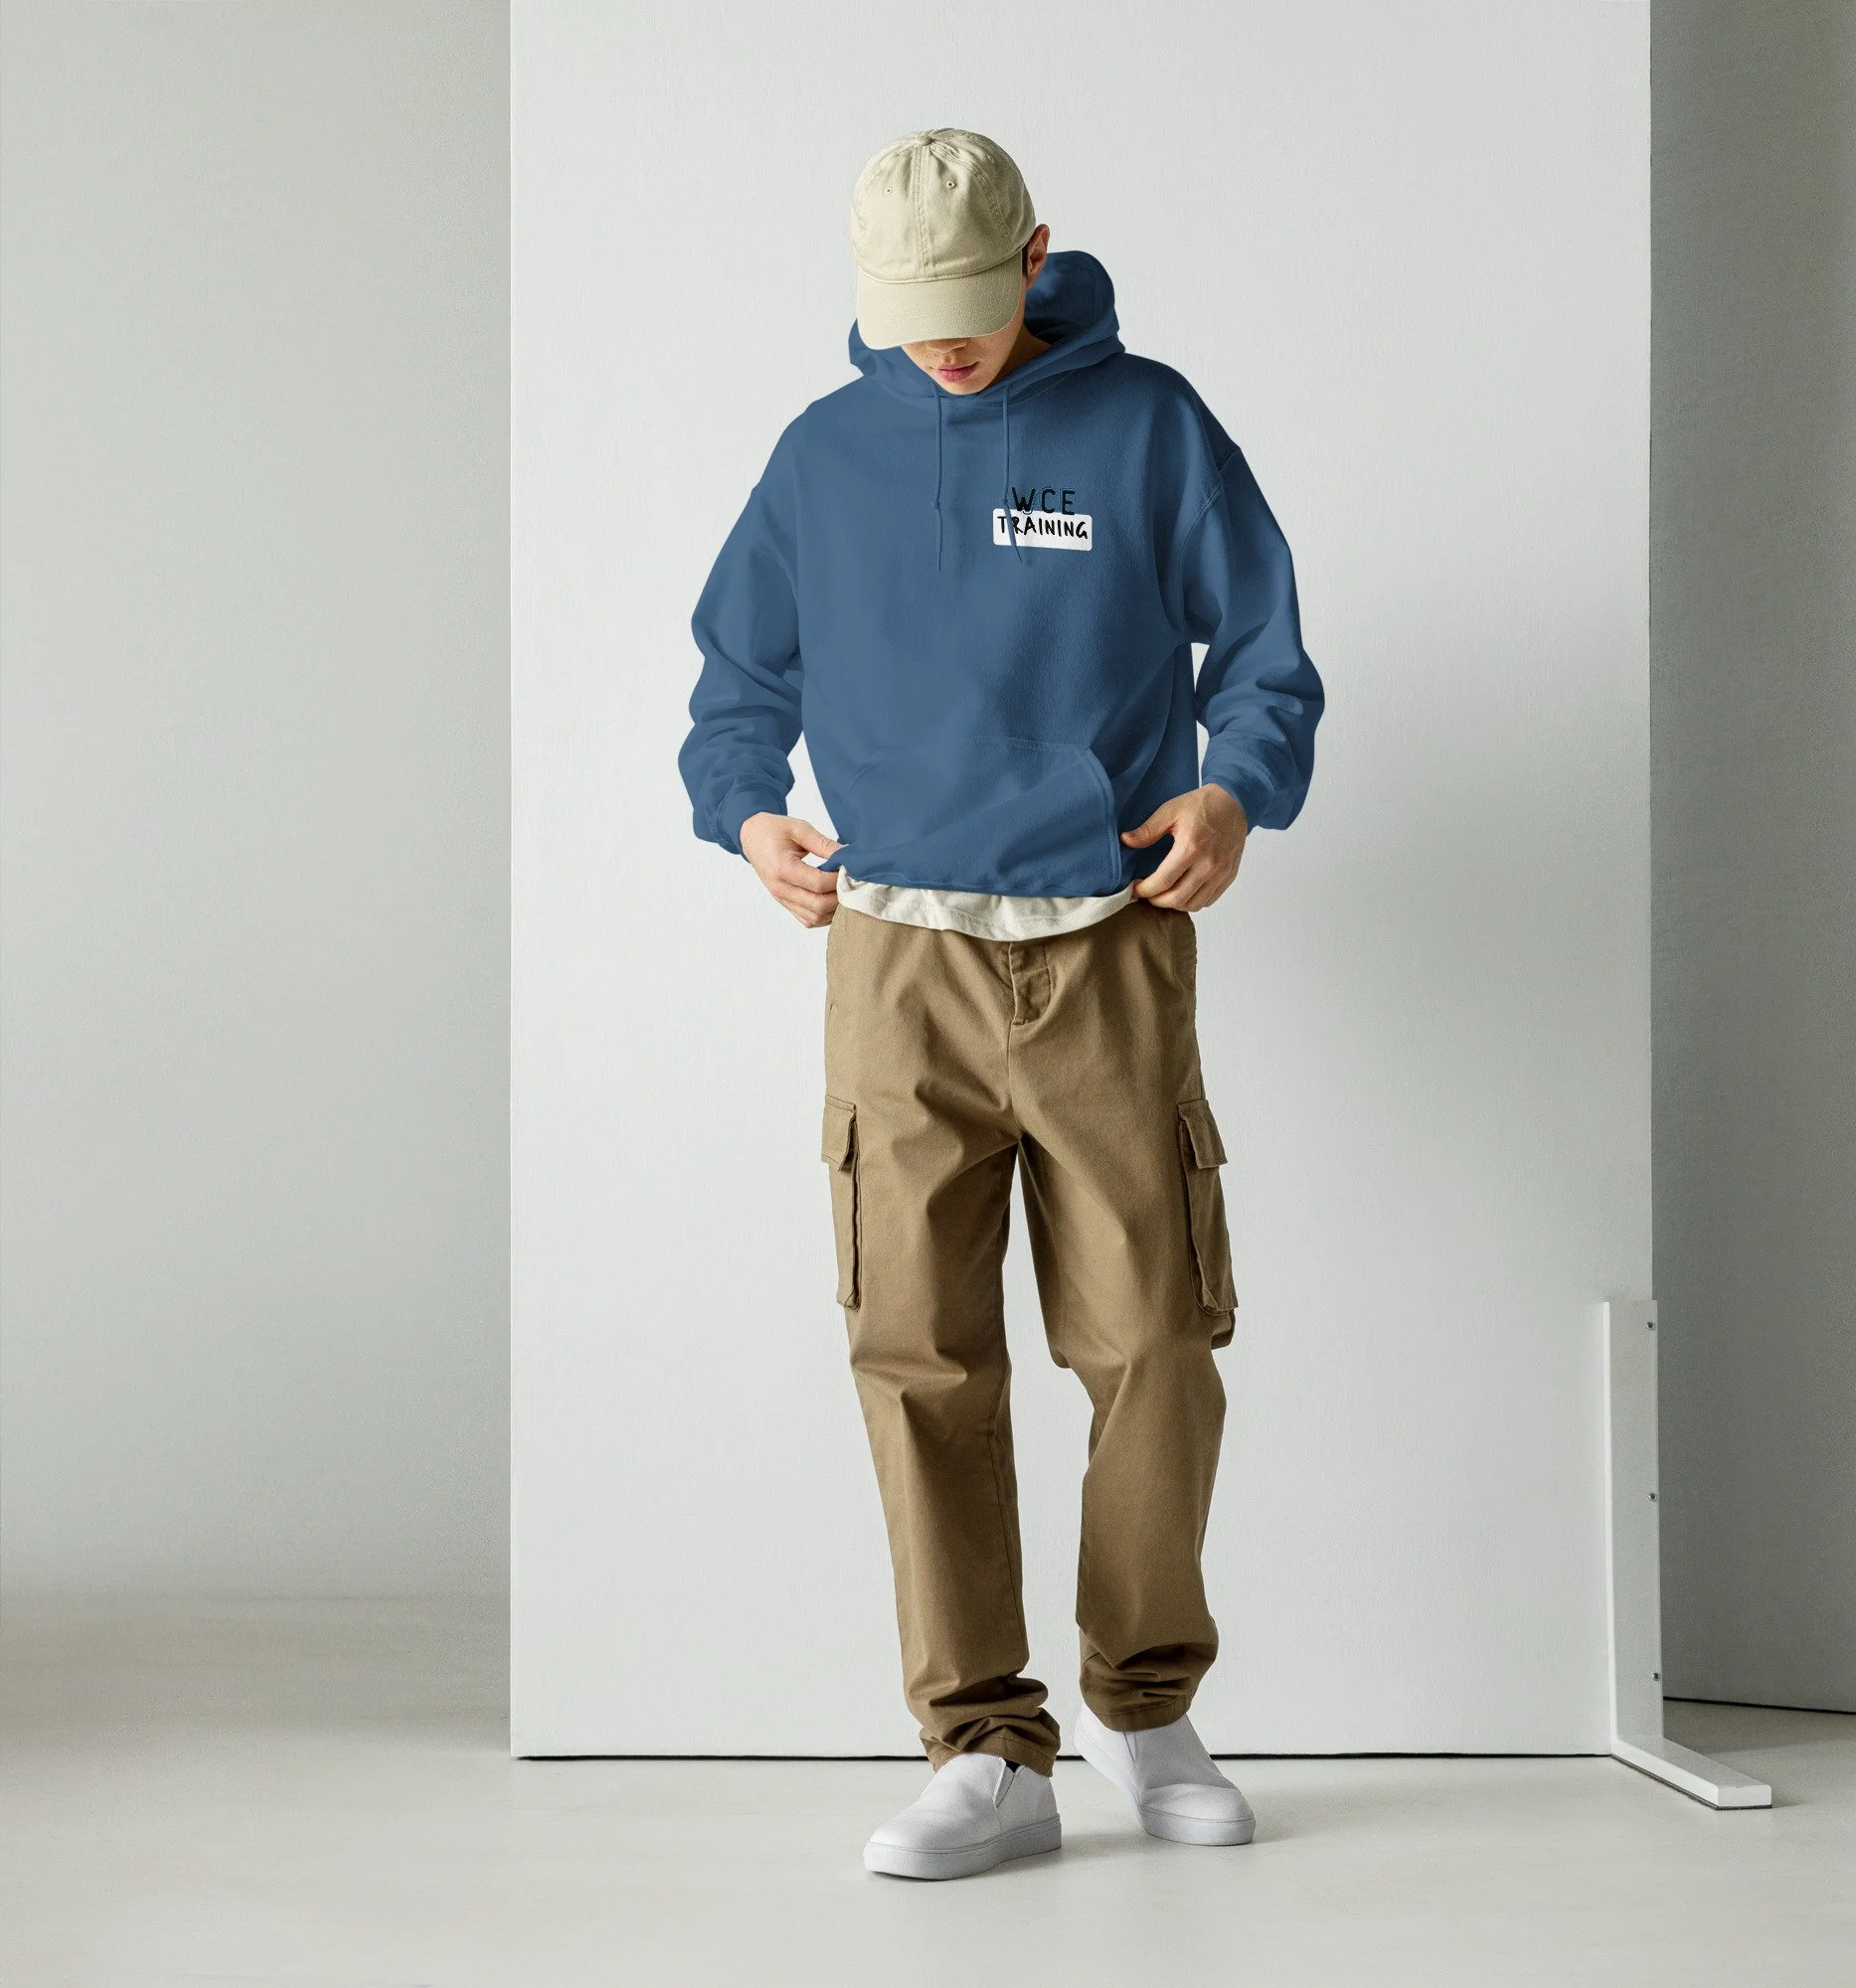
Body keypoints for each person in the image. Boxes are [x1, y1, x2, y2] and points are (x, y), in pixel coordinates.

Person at [680, 128, 1323, 1881]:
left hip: (1108, 941)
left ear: (1037, 255)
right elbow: (735, 677)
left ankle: (1144, 1706)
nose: (944, 346)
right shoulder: (824, 454)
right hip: (896, 958)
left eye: (970, 306)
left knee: (1156, 1341)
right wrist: (745, 812)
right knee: (918, 1356)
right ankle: (983, 1747)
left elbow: (1266, 651)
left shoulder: (1151, 425)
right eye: (911, 317)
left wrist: (1234, 791)